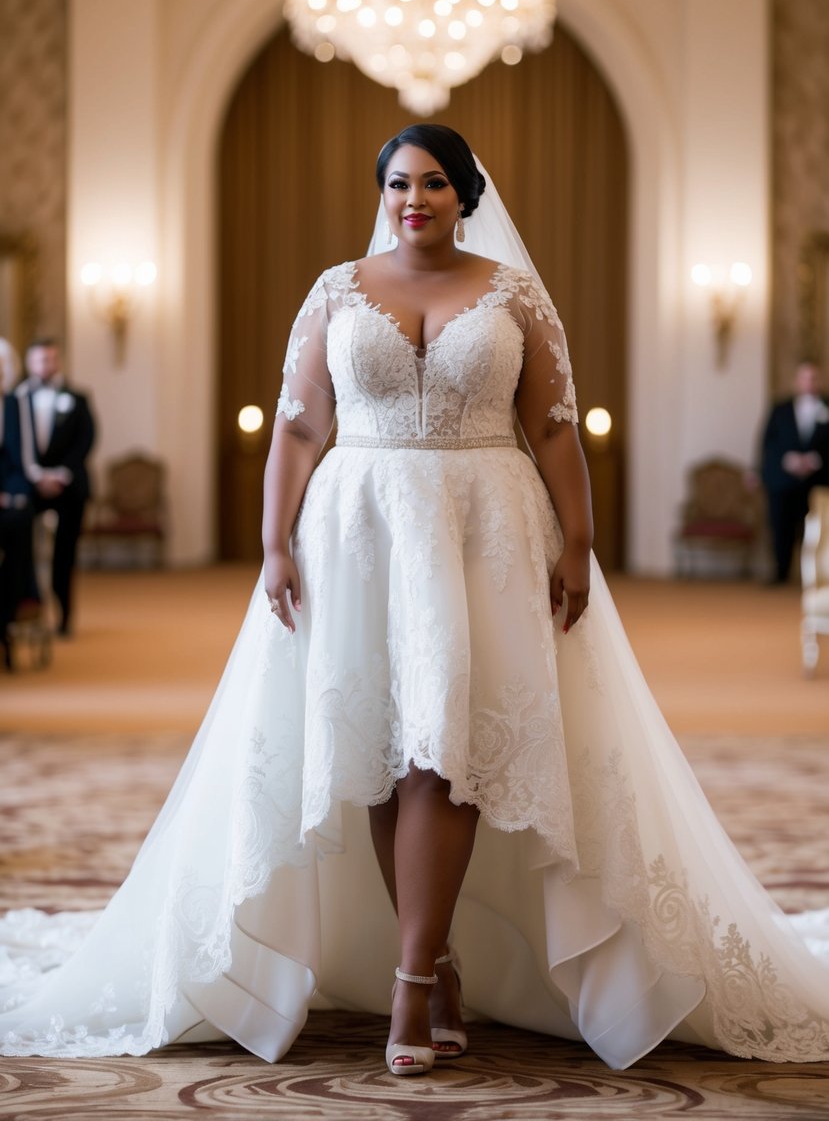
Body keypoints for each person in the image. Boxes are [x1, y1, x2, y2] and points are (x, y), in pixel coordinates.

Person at [2, 126, 829, 1072]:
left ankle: (411, 986)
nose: (415, 198)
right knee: (381, 751)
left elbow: (553, 430)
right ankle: (430, 959)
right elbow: (299, 425)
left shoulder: (514, 294)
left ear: (463, 194)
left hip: (486, 533)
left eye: (435, 183)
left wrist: (580, 542)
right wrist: (274, 541)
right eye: (399, 182)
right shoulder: (333, 290)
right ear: (382, 192)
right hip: (358, 536)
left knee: (450, 754)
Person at [15, 338, 95, 634]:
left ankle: (65, 615)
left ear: (57, 361)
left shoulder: (77, 397)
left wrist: (61, 473)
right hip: (30, 486)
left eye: (50, 360)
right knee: (22, 547)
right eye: (39, 360)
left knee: (65, 554)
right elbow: (14, 444)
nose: (45, 365)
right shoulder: (16, 397)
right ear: (29, 363)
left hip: (69, 487)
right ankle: (28, 608)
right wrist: (37, 476)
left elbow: (86, 439)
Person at [760, 360, 829, 583]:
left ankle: (813, 576)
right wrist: (788, 460)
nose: (809, 382)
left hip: (819, 480)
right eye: (804, 378)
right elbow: (767, 443)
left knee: (816, 530)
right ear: (797, 381)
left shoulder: (827, 407)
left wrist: (815, 460)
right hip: (783, 481)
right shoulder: (780, 409)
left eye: (813, 378)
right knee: (781, 527)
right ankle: (780, 574)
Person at [0, 390, 34, 668]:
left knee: (19, 528)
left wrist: (12, 496)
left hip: (9, 503)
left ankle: (7, 619)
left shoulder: (13, 404)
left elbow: (22, 458)